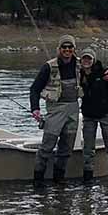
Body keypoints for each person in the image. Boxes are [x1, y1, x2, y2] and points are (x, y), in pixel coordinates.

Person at [29, 34, 83, 185]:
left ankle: (59, 181)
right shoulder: (48, 67)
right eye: (64, 47)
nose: (67, 50)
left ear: (74, 49)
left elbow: (100, 70)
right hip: (55, 110)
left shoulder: (81, 65)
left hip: (73, 108)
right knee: (46, 147)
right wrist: (35, 109)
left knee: (66, 150)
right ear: (59, 49)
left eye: (70, 47)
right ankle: (38, 181)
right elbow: (34, 89)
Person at [79, 50, 108, 182]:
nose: (87, 61)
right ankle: (88, 177)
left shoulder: (104, 73)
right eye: (84, 59)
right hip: (88, 116)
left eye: (89, 59)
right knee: (88, 148)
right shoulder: (78, 74)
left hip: (106, 114)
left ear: (94, 60)